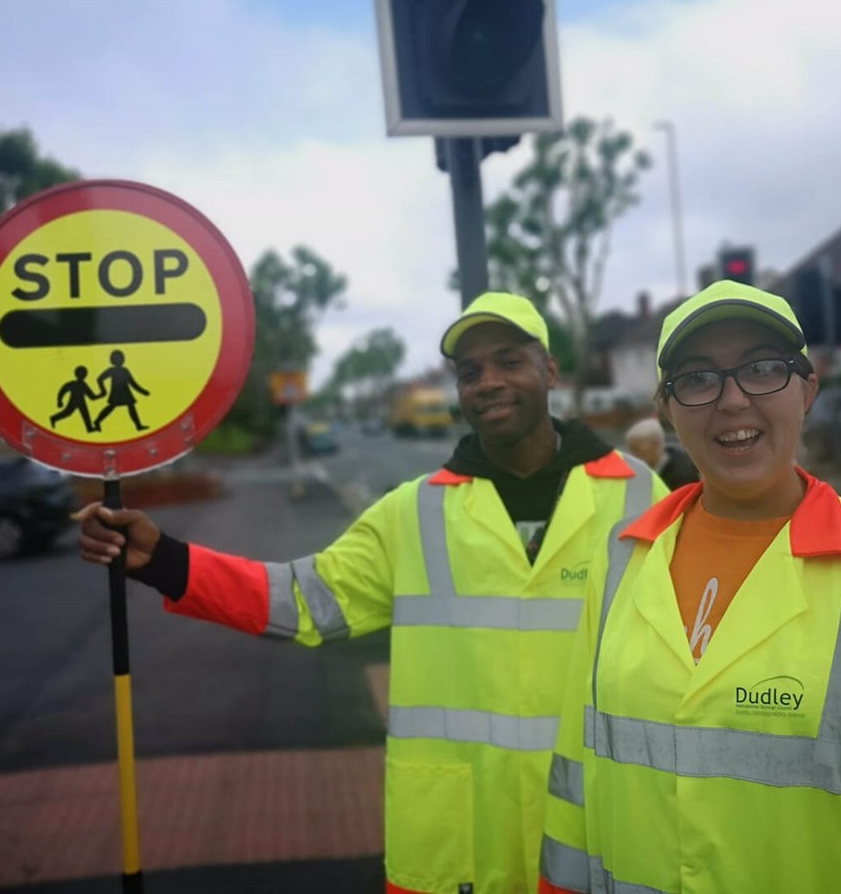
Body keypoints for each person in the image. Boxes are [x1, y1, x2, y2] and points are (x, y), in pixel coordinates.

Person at [77, 291, 670, 894]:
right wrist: (168, 562)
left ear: (549, 371)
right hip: (460, 847)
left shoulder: (639, 496)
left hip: (596, 840)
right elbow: (305, 600)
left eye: (509, 361)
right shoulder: (414, 512)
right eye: (470, 372)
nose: (488, 381)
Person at [539, 280, 841, 893]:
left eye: (764, 368)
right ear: (665, 408)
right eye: (696, 378)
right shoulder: (619, 561)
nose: (733, 399)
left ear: (808, 389)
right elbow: (576, 775)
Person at [623, 416, 700, 490]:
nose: (632, 455)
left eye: (636, 449)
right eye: (631, 449)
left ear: (655, 445)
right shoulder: (639, 470)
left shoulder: (683, 475)